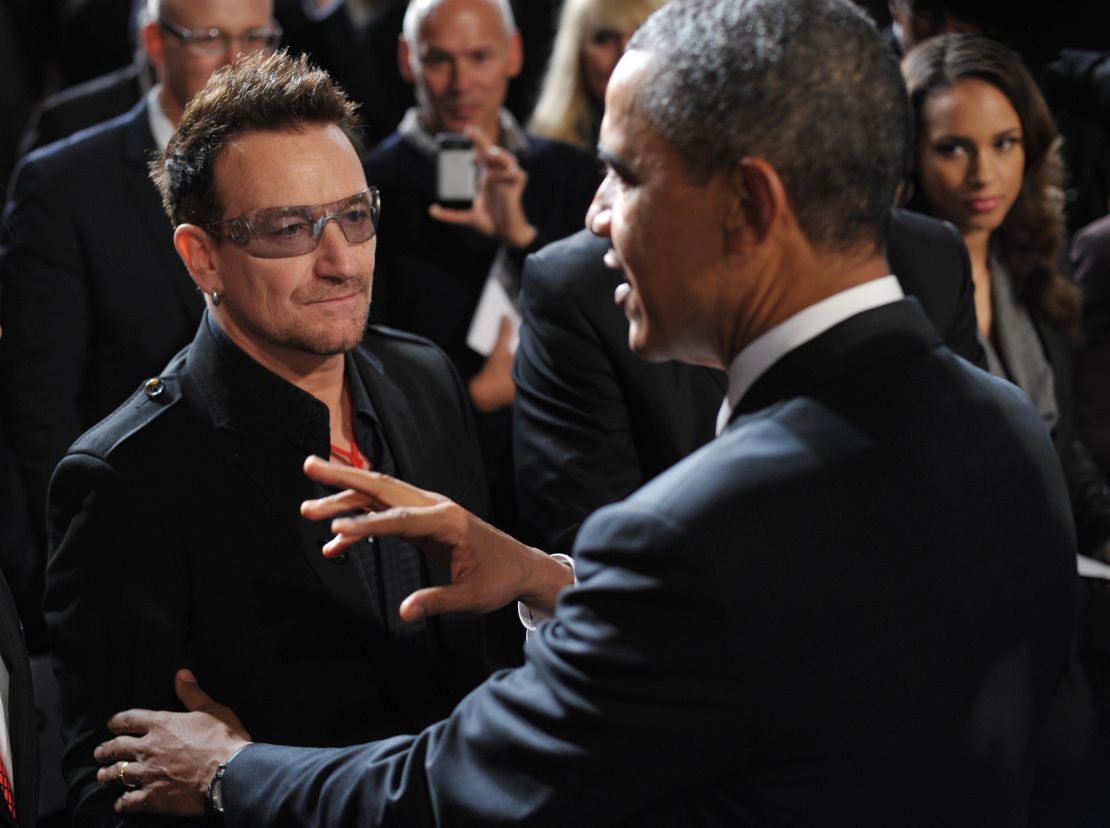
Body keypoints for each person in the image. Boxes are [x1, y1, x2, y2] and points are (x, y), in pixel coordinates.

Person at [91, 1, 1076, 824]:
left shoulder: (695, 537)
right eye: (289, 229)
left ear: (749, 206)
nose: (594, 216)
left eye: (626, 175)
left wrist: (225, 772)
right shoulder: (1007, 427)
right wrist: (543, 577)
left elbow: (456, 792)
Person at [44, 50, 497, 827]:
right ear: (201, 258)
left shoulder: (426, 378)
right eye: (290, 228)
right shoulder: (127, 475)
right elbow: (109, 790)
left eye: (355, 216)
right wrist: (233, 790)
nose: (341, 261)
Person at [0, 0, 281, 645]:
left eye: (255, 37)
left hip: (287, 561)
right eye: (210, 37)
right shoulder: (65, 184)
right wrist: (82, 578)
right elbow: (39, 412)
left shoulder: (302, 175)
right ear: (156, 41)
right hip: (131, 575)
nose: (238, 61)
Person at [513, 208, 984, 553]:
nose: (597, 213)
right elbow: (592, 562)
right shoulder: (579, 289)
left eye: (626, 172)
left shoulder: (931, 261)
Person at [362, 0, 599, 529]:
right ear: (408, 60)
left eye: (479, 57)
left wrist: (520, 240)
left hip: (560, 466)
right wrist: (474, 398)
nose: (460, 82)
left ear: (514, 55)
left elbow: (605, 319)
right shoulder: (365, 187)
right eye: (440, 59)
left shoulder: (570, 174)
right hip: (431, 470)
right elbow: (365, 351)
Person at [902, 33, 1110, 561]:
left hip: (1052, 551)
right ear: (910, 156)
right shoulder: (890, 285)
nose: (983, 175)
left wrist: (1104, 528)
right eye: (953, 148)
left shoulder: (1036, 254)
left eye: (1004, 143)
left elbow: (1061, 439)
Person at [527, 0, 665, 150]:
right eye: (605, 38)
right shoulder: (546, 155)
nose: (624, 53)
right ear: (576, 52)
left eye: (640, 35)